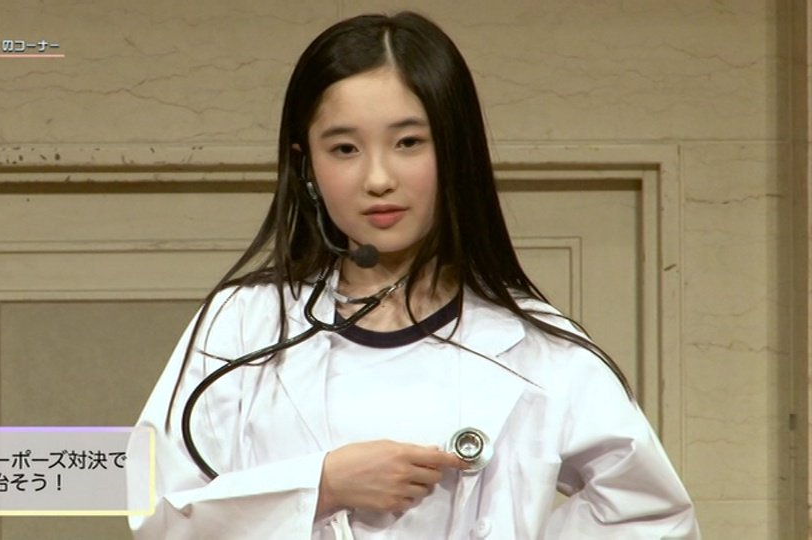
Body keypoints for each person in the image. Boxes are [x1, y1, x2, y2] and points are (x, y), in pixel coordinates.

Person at [128, 11, 700, 539]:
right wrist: (320, 486)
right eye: (345, 148)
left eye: (408, 143)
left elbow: (653, 518)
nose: (378, 178)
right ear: (306, 166)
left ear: (454, 152)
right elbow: (150, 508)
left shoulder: (540, 350)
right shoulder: (241, 324)